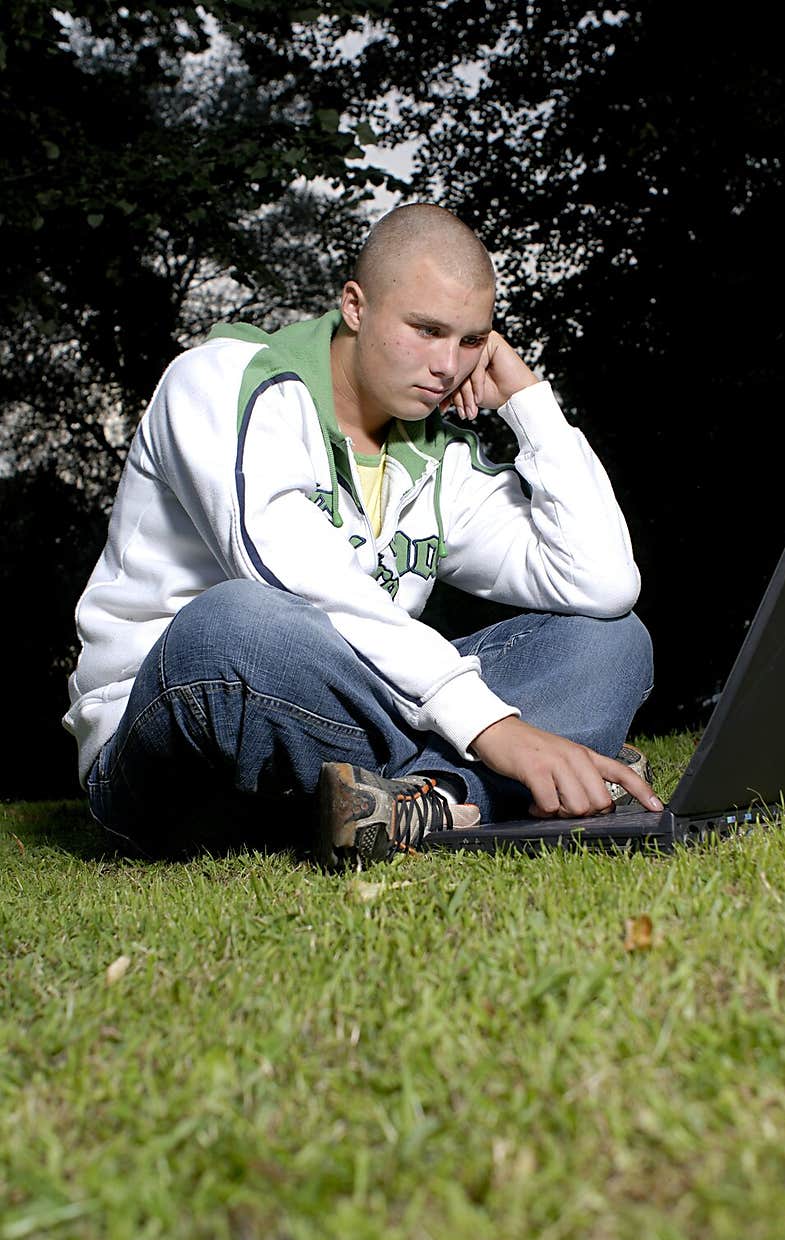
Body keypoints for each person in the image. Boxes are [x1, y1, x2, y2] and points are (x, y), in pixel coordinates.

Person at [64, 203, 661, 868]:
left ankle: (428, 799)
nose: (447, 365)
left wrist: (530, 403)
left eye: (470, 341)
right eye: (426, 329)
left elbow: (600, 580)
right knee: (236, 621)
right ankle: (507, 777)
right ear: (355, 305)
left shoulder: (440, 458)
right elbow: (291, 578)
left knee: (609, 638)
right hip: (176, 741)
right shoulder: (224, 381)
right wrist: (497, 727)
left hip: (336, 739)